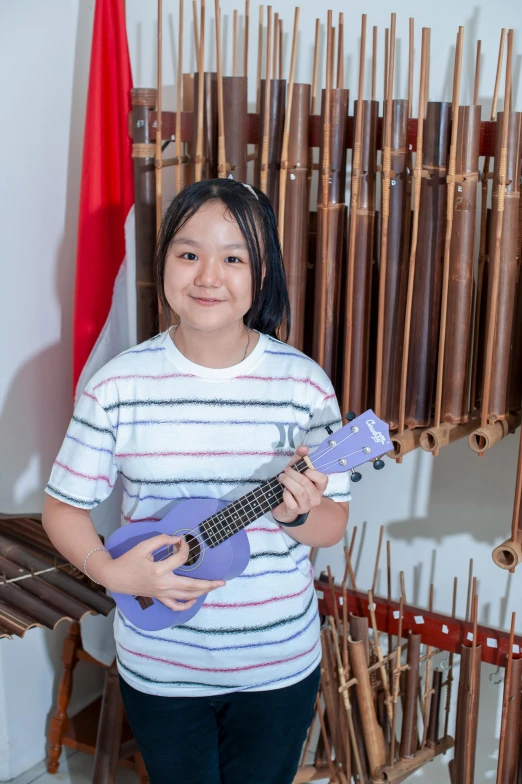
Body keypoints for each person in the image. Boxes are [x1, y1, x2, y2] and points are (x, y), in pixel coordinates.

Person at [42, 178, 350, 783]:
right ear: (164, 264)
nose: (209, 276)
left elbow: (332, 525)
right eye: (189, 254)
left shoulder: (304, 387)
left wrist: (294, 512)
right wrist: (108, 570)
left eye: (234, 257)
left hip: (276, 664)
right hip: (161, 663)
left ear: (263, 274)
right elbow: (63, 508)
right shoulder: (118, 386)